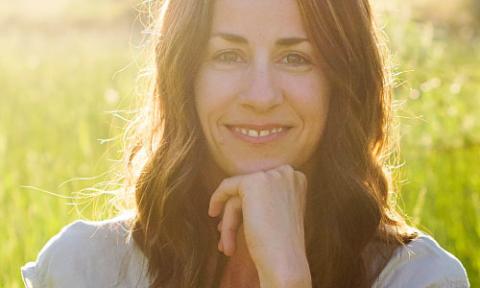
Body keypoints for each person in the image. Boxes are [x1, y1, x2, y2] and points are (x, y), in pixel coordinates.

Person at [21, 0, 470, 287]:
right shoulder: (85, 269)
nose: (260, 96)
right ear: (186, 78)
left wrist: (288, 276)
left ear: (343, 81)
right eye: (228, 55)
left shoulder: (418, 278)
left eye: (296, 58)